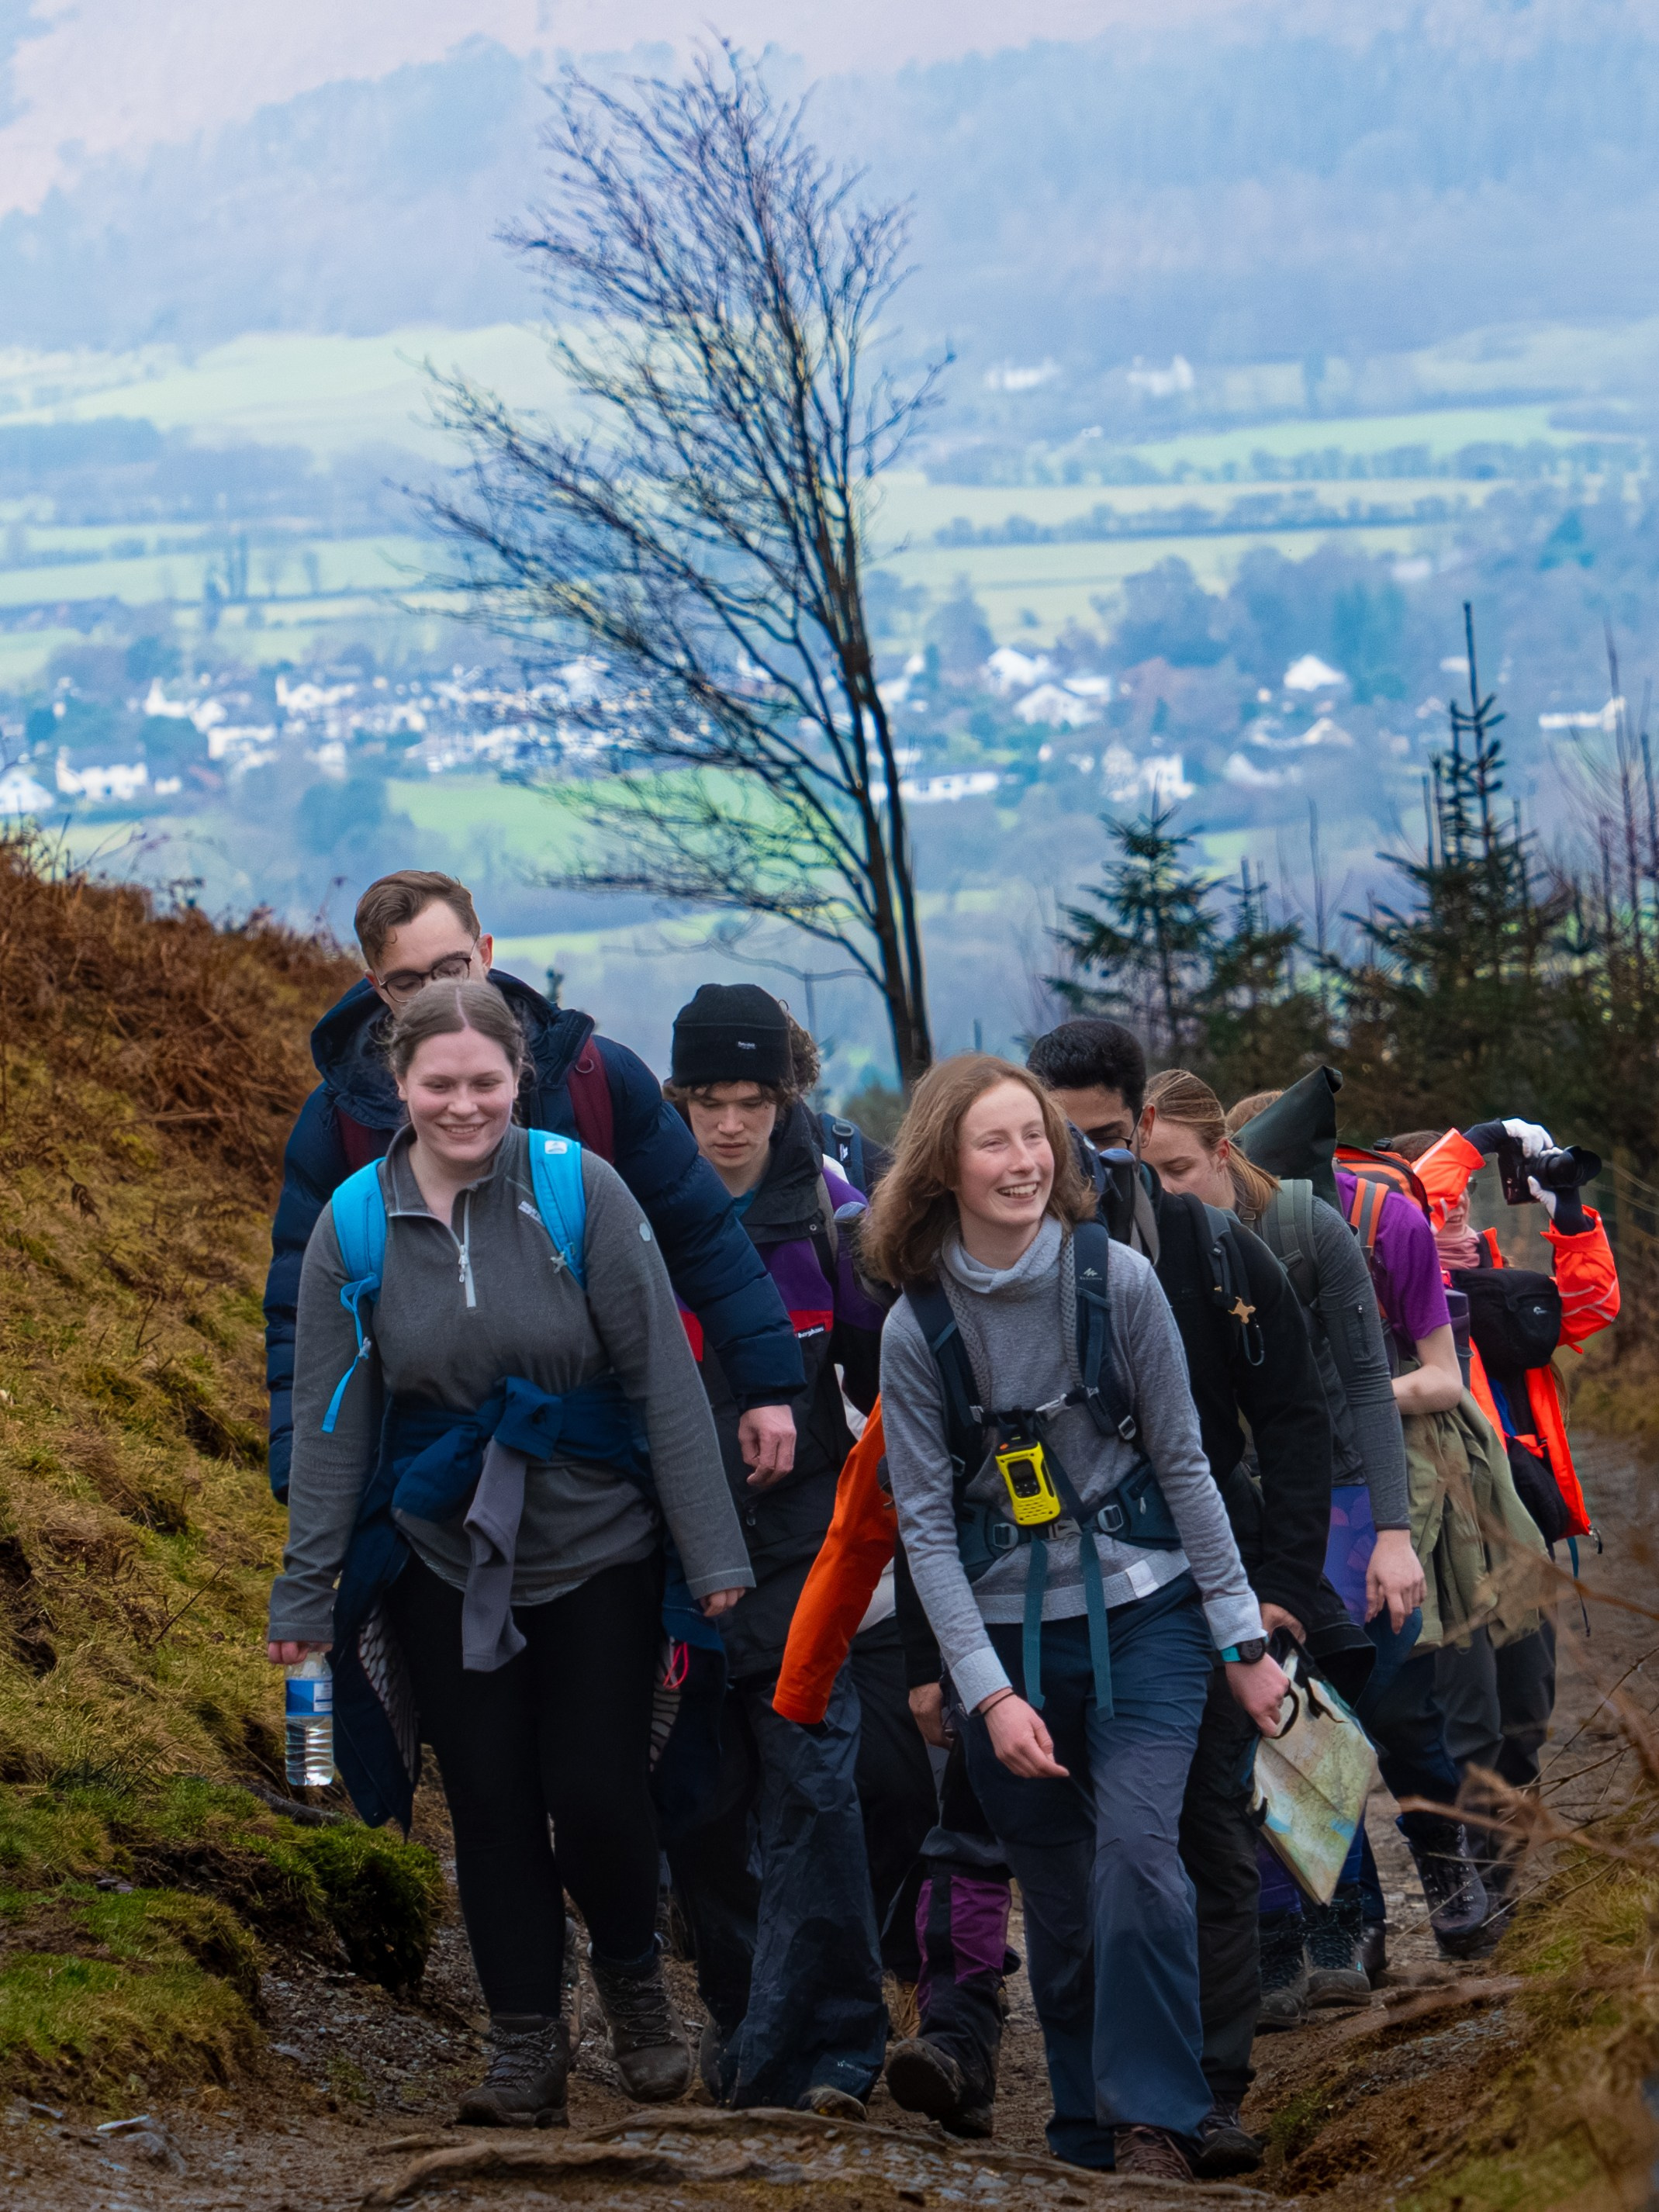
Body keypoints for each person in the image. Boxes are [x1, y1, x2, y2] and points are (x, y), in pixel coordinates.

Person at [781, 1017, 1338, 2177]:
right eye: (995, 1143)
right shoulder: (918, 1327)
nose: (1025, 1161)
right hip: (1007, 1640)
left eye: (1034, 1138)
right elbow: (923, 1529)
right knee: (1065, 1903)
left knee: (1139, 1858)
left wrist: (1240, 1637)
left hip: (1150, 1618)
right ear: (943, 1165)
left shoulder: (1117, 1281)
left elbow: (1186, 1466)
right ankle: (1084, 2126)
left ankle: (1154, 2121)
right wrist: (985, 1696)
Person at [266, 983, 752, 2128]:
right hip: (441, 1550)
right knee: (487, 1800)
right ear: (398, 1084)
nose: (463, 1104)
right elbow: (333, 1423)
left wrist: (712, 1553)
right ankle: (524, 2042)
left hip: (599, 1542)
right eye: (438, 1083)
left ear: (517, 1079)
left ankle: (630, 1972)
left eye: (484, 1081)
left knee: (593, 1788)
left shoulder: (581, 1189)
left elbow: (662, 1377)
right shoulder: (354, 1223)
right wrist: (304, 1590)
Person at [264, 869, 802, 1502]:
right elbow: (305, 1308)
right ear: (378, 987)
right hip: (424, 1462)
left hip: (601, 1448)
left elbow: (700, 1237)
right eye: (408, 982)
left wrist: (765, 1389)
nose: (437, 994)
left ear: (485, 953)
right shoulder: (340, 1122)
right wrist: (300, 1456)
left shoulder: (595, 1079)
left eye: (452, 968)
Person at [659, 984, 891, 2120]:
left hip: (804, 1552)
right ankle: (745, 2013)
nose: (729, 1123)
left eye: (751, 1098)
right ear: (677, 1100)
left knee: (817, 1792)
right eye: (708, 1098)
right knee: (701, 1806)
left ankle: (839, 2046)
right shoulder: (634, 1209)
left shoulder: (837, 1220)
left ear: (785, 1096)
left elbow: (891, 1381)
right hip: (671, 1560)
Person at [1382, 1118, 1619, 1906]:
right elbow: (1417, 1200)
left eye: (1464, 1197)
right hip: (1446, 1533)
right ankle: (1472, 1888)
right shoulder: (1393, 1292)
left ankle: (1501, 1878)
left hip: (1523, 1528)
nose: (1454, 1209)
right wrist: (1478, 1138)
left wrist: (1570, 1215)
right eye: (1442, 1198)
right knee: (1466, 1718)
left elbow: (1590, 1305)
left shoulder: (1503, 1282)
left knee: (1525, 1711)